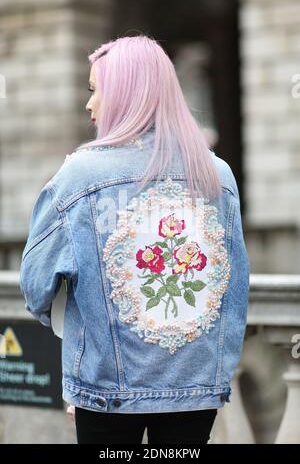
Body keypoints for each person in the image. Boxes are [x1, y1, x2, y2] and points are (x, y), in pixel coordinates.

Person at [19, 35, 250, 444]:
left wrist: (77, 333)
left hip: (107, 389)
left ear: (126, 94)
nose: (89, 104)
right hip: (195, 389)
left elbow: (36, 285)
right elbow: (232, 287)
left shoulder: (79, 177)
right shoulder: (218, 176)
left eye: (96, 91)